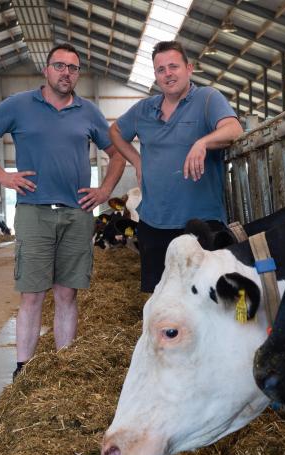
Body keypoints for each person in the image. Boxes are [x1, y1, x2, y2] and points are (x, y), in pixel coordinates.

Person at [0, 43, 125, 379]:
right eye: (60, 66)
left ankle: (63, 368)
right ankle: (24, 370)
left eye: (73, 68)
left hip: (77, 213)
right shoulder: (19, 105)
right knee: (32, 294)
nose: (67, 73)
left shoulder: (88, 112)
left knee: (67, 294)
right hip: (34, 212)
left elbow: (118, 153)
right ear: (46, 70)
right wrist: (0, 175)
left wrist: (106, 190)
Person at [108, 41, 243, 292]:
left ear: (189, 68)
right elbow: (115, 131)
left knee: (206, 295)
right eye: (161, 69)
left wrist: (203, 142)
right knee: (162, 297)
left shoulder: (207, 98)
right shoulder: (143, 109)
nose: (168, 74)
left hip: (201, 224)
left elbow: (234, 129)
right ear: (156, 75)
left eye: (173, 66)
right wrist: (137, 161)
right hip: (154, 222)